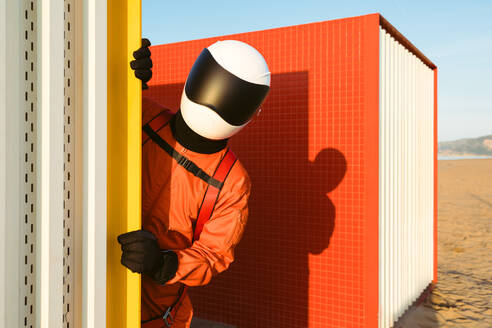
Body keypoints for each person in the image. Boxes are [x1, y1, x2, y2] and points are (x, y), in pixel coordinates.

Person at [117, 38, 270, 327]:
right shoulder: (143, 114)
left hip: (154, 317)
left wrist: (162, 264)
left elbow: (214, 255)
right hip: (94, 291)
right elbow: (86, 112)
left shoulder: (232, 180)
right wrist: (121, 72)